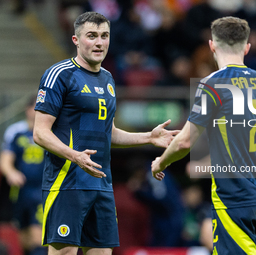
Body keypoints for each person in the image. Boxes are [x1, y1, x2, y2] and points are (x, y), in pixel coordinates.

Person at [151, 16, 256, 255]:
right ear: (247, 48)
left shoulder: (212, 85)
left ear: (212, 46)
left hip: (233, 200)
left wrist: (160, 162)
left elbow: (185, 141)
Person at [33, 11, 178, 255]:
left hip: (101, 184)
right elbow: (40, 133)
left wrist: (148, 137)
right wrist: (74, 156)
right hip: (67, 183)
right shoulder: (60, 74)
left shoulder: (108, 79)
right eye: (92, 36)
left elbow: (107, 133)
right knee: (65, 252)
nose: (99, 42)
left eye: (104, 36)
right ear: (76, 40)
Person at [0, 96, 46, 255]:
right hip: (20, 191)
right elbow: (5, 159)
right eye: (35, 108)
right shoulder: (16, 131)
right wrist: (11, 172)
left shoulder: (51, 132)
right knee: (24, 236)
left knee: (37, 237)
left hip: (42, 190)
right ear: (27, 110)